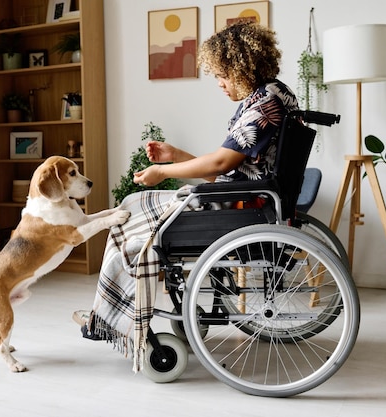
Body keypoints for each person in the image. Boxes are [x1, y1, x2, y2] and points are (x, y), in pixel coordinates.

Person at [73, 21, 299, 370]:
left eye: (222, 75)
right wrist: (176, 155)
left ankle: (110, 316)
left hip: (241, 205)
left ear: (240, 67)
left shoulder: (263, 105)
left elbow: (222, 162)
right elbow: (224, 168)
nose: (220, 84)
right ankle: (108, 312)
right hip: (243, 197)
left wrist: (163, 172)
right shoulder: (274, 95)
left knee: (131, 213)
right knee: (132, 208)